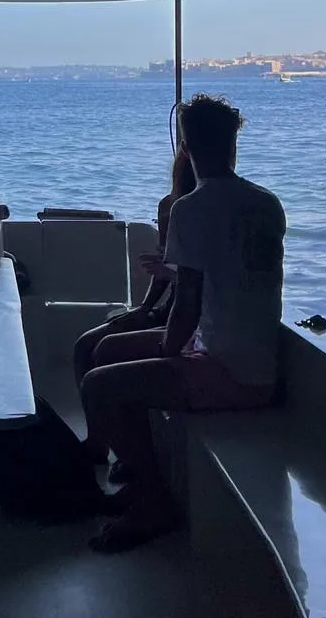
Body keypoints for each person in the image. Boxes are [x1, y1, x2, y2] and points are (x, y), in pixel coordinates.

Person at [78, 94, 285, 554]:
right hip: (246, 358)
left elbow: (186, 304)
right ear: (233, 144)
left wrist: (166, 355)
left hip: (229, 372)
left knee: (99, 385)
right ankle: (140, 478)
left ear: (186, 148)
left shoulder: (191, 208)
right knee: (107, 350)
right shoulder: (266, 203)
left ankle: (154, 502)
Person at [72, 145, 196, 388]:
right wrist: (145, 307)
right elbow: (162, 269)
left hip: (193, 317)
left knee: (105, 350)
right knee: (84, 345)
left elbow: (198, 283)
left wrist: (172, 275)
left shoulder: (211, 212)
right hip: (168, 309)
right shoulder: (168, 206)